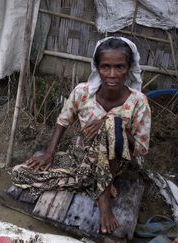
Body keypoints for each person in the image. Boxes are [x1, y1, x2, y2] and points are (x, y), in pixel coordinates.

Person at [11, 37, 151, 234]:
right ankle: (94, 181)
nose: (112, 74)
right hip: (81, 158)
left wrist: (114, 126)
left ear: (129, 68)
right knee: (20, 172)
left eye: (119, 67)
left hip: (116, 163)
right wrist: (50, 153)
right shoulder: (82, 92)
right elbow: (63, 120)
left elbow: (141, 149)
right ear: (97, 67)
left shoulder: (139, 102)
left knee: (113, 124)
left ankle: (103, 195)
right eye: (105, 67)